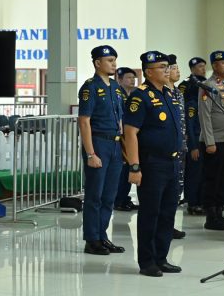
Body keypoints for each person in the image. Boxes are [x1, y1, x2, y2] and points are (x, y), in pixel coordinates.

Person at [122, 51, 183, 277]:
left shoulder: (168, 93)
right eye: (161, 67)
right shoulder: (140, 96)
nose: (167, 70)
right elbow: (130, 133)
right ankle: (147, 261)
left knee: (168, 213)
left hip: (172, 163)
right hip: (151, 164)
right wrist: (134, 166)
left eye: (167, 66)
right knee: (150, 213)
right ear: (148, 71)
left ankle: (161, 257)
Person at [77, 45, 125, 256]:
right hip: (98, 144)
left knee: (109, 195)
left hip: (114, 145)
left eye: (115, 60)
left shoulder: (115, 87)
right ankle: (92, 239)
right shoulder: (90, 87)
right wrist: (90, 153)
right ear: (98, 63)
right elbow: (84, 122)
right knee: (94, 196)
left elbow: (121, 119)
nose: (114, 64)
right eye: (109, 60)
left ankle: (102, 236)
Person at [198, 50, 224, 230]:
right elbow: (204, 115)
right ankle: (211, 216)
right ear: (214, 65)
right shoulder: (207, 85)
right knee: (212, 180)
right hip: (215, 142)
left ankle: (220, 213)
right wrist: (209, 141)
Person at [181, 57, 206, 215]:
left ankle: (200, 201)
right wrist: (193, 146)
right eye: (199, 66)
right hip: (195, 140)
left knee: (202, 173)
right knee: (193, 174)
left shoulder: (207, 83)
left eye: (204, 66)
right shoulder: (188, 91)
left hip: (204, 139)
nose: (203, 69)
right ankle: (192, 202)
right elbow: (190, 125)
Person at [167, 54, 187, 239]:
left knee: (176, 190)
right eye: (174, 68)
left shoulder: (178, 93)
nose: (177, 71)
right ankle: (162, 225)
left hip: (180, 148)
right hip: (164, 151)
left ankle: (169, 224)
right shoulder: (159, 93)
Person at [113, 67, 139, 212]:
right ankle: (119, 200)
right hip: (120, 137)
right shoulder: (118, 95)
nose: (132, 80)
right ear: (120, 79)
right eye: (128, 77)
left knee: (128, 168)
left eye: (133, 78)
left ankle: (124, 198)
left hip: (128, 137)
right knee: (122, 171)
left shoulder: (132, 95)